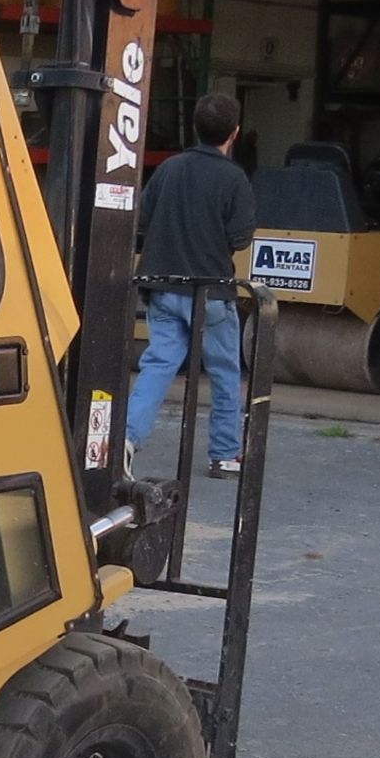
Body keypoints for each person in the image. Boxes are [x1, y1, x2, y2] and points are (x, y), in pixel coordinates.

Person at [125, 92, 254, 479]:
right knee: (225, 371)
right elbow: (241, 236)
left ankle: (127, 440)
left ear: (195, 128)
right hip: (211, 291)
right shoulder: (234, 178)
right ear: (235, 133)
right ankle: (225, 454)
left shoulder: (169, 168)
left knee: (159, 364)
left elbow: (142, 219)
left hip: (163, 287)